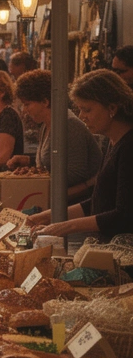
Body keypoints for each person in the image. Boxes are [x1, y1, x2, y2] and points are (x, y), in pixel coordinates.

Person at [33, 70, 133, 240]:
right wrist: (50, 215)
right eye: (79, 109)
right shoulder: (112, 141)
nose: (82, 116)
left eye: (86, 109)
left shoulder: (128, 148)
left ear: (112, 108)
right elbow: (99, 201)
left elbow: (123, 215)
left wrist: (65, 227)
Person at [7, 70, 103, 200]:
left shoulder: (68, 125)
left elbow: (76, 174)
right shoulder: (46, 125)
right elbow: (54, 163)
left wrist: (32, 178)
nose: (24, 110)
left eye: (27, 104)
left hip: (74, 205)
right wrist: (29, 162)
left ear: (45, 101)